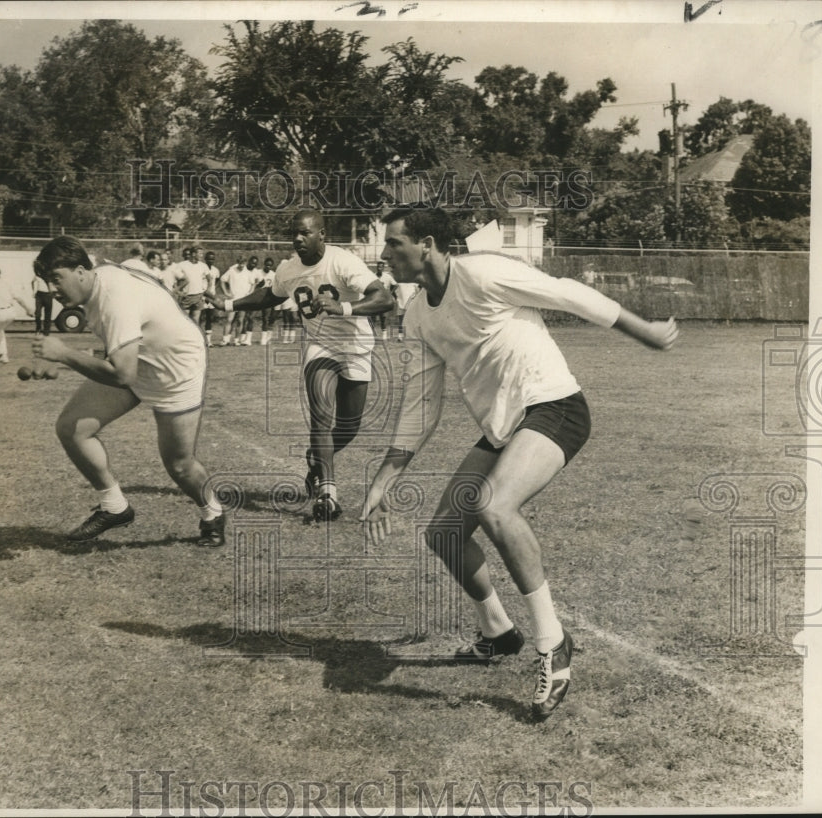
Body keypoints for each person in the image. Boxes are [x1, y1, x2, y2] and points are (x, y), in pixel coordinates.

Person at [362, 206, 678, 720]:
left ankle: (553, 644)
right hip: (503, 429)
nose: (385, 254)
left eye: (394, 244)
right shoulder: (417, 314)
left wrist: (643, 330)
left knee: (496, 507)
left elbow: (566, 293)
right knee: (444, 531)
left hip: (555, 407)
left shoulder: (483, 273)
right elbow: (421, 403)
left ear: (427, 243)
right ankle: (498, 633)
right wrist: (384, 480)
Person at [30, 236, 226, 546]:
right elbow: (123, 355)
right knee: (72, 428)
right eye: (47, 281)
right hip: (137, 361)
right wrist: (64, 363)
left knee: (179, 464)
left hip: (176, 369)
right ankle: (115, 507)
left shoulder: (113, 297)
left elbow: (123, 374)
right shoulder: (97, 283)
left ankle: (213, 514)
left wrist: (64, 355)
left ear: (80, 271)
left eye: (56, 278)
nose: (52, 289)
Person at [208, 209, 393, 520]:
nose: (297, 238)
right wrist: (227, 303)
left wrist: (343, 307)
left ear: (322, 234)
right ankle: (328, 494)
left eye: (305, 233)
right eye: (294, 233)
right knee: (321, 417)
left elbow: (384, 298)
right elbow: (271, 295)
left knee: (349, 427)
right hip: (319, 347)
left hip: (357, 347)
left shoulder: (342, 261)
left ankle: (317, 459)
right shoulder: (289, 268)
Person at [0, 265, 34, 364]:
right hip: (11, 313)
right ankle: (4, 356)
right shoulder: (7, 283)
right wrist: (28, 309)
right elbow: (19, 299)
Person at [218, 255, 253, 346]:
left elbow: (253, 284)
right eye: (240, 263)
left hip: (243, 300)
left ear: (245, 263)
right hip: (232, 300)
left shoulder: (248, 273)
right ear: (238, 262)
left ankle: (236, 340)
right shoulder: (231, 271)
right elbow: (222, 280)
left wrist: (249, 293)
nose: (242, 265)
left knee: (240, 320)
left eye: (243, 263)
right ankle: (225, 340)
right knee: (229, 319)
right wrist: (226, 293)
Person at [176, 246, 211, 330]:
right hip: (186, 296)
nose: (202, 255)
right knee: (185, 320)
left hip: (198, 296)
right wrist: (179, 292)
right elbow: (175, 279)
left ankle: (194, 340)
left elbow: (209, 279)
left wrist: (205, 291)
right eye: (200, 253)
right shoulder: (181, 265)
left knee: (195, 321)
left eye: (202, 253)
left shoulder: (203, 266)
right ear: (193, 254)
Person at [371, 260, 397, 341]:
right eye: (378, 267)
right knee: (373, 317)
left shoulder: (387, 276)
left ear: (383, 268)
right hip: (375, 298)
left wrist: (390, 293)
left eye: (381, 267)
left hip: (384, 299)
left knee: (383, 317)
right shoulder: (373, 276)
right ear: (376, 267)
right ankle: (372, 335)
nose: (379, 268)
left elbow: (395, 285)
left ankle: (384, 335)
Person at [202, 251, 221, 346]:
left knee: (210, 318)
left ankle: (208, 341)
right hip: (202, 296)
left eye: (212, 259)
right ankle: (199, 339)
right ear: (205, 259)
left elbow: (216, 281)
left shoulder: (216, 270)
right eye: (209, 259)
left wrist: (212, 293)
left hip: (211, 296)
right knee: (200, 318)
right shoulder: (201, 268)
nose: (211, 261)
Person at [258, 257, 278, 345]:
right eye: (267, 265)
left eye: (270, 265)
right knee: (265, 318)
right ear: (264, 264)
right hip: (262, 297)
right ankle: (263, 338)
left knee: (272, 318)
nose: (268, 267)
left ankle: (268, 338)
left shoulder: (273, 274)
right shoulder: (259, 273)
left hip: (271, 297)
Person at [32, 268, 54, 336]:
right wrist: (34, 291)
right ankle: (38, 327)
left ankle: (46, 332)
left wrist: (52, 293)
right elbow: (32, 282)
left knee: (48, 315)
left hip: (48, 294)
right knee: (38, 314)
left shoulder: (50, 275)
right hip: (39, 294)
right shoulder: (37, 275)